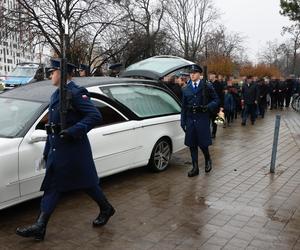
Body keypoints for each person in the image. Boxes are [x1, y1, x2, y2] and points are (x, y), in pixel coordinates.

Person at [16, 59, 115, 241]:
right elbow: (52, 126)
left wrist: (73, 131)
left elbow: (94, 115)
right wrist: (47, 151)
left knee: (87, 183)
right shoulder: (57, 94)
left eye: (52, 72)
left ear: (62, 73)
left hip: (74, 149)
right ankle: (40, 225)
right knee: (54, 186)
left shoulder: (76, 93)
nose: (50, 75)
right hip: (59, 148)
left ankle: (106, 208)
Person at [181, 65, 219, 177]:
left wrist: (208, 107)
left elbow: (216, 99)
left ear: (200, 74)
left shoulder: (206, 86)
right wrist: (183, 121)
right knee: (192, 144)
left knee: (203, 143)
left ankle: (208, 159)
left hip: (202, 118)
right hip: (190, 118)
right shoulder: (186, 88)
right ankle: (195, 167)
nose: (192, 74)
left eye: (195, 72)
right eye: (191, 73)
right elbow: (183, 106)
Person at [209, 73, 224, 138]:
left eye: (211, 75)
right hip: (209, 104)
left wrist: (221, 106)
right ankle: (208, 132)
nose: (210, 76)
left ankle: (213, 133)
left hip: (216, 105)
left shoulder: (219, 84)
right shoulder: (208, 83)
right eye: (209, 75)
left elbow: (221, 96)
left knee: (214, 120)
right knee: (208, 120)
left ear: (214, 76)